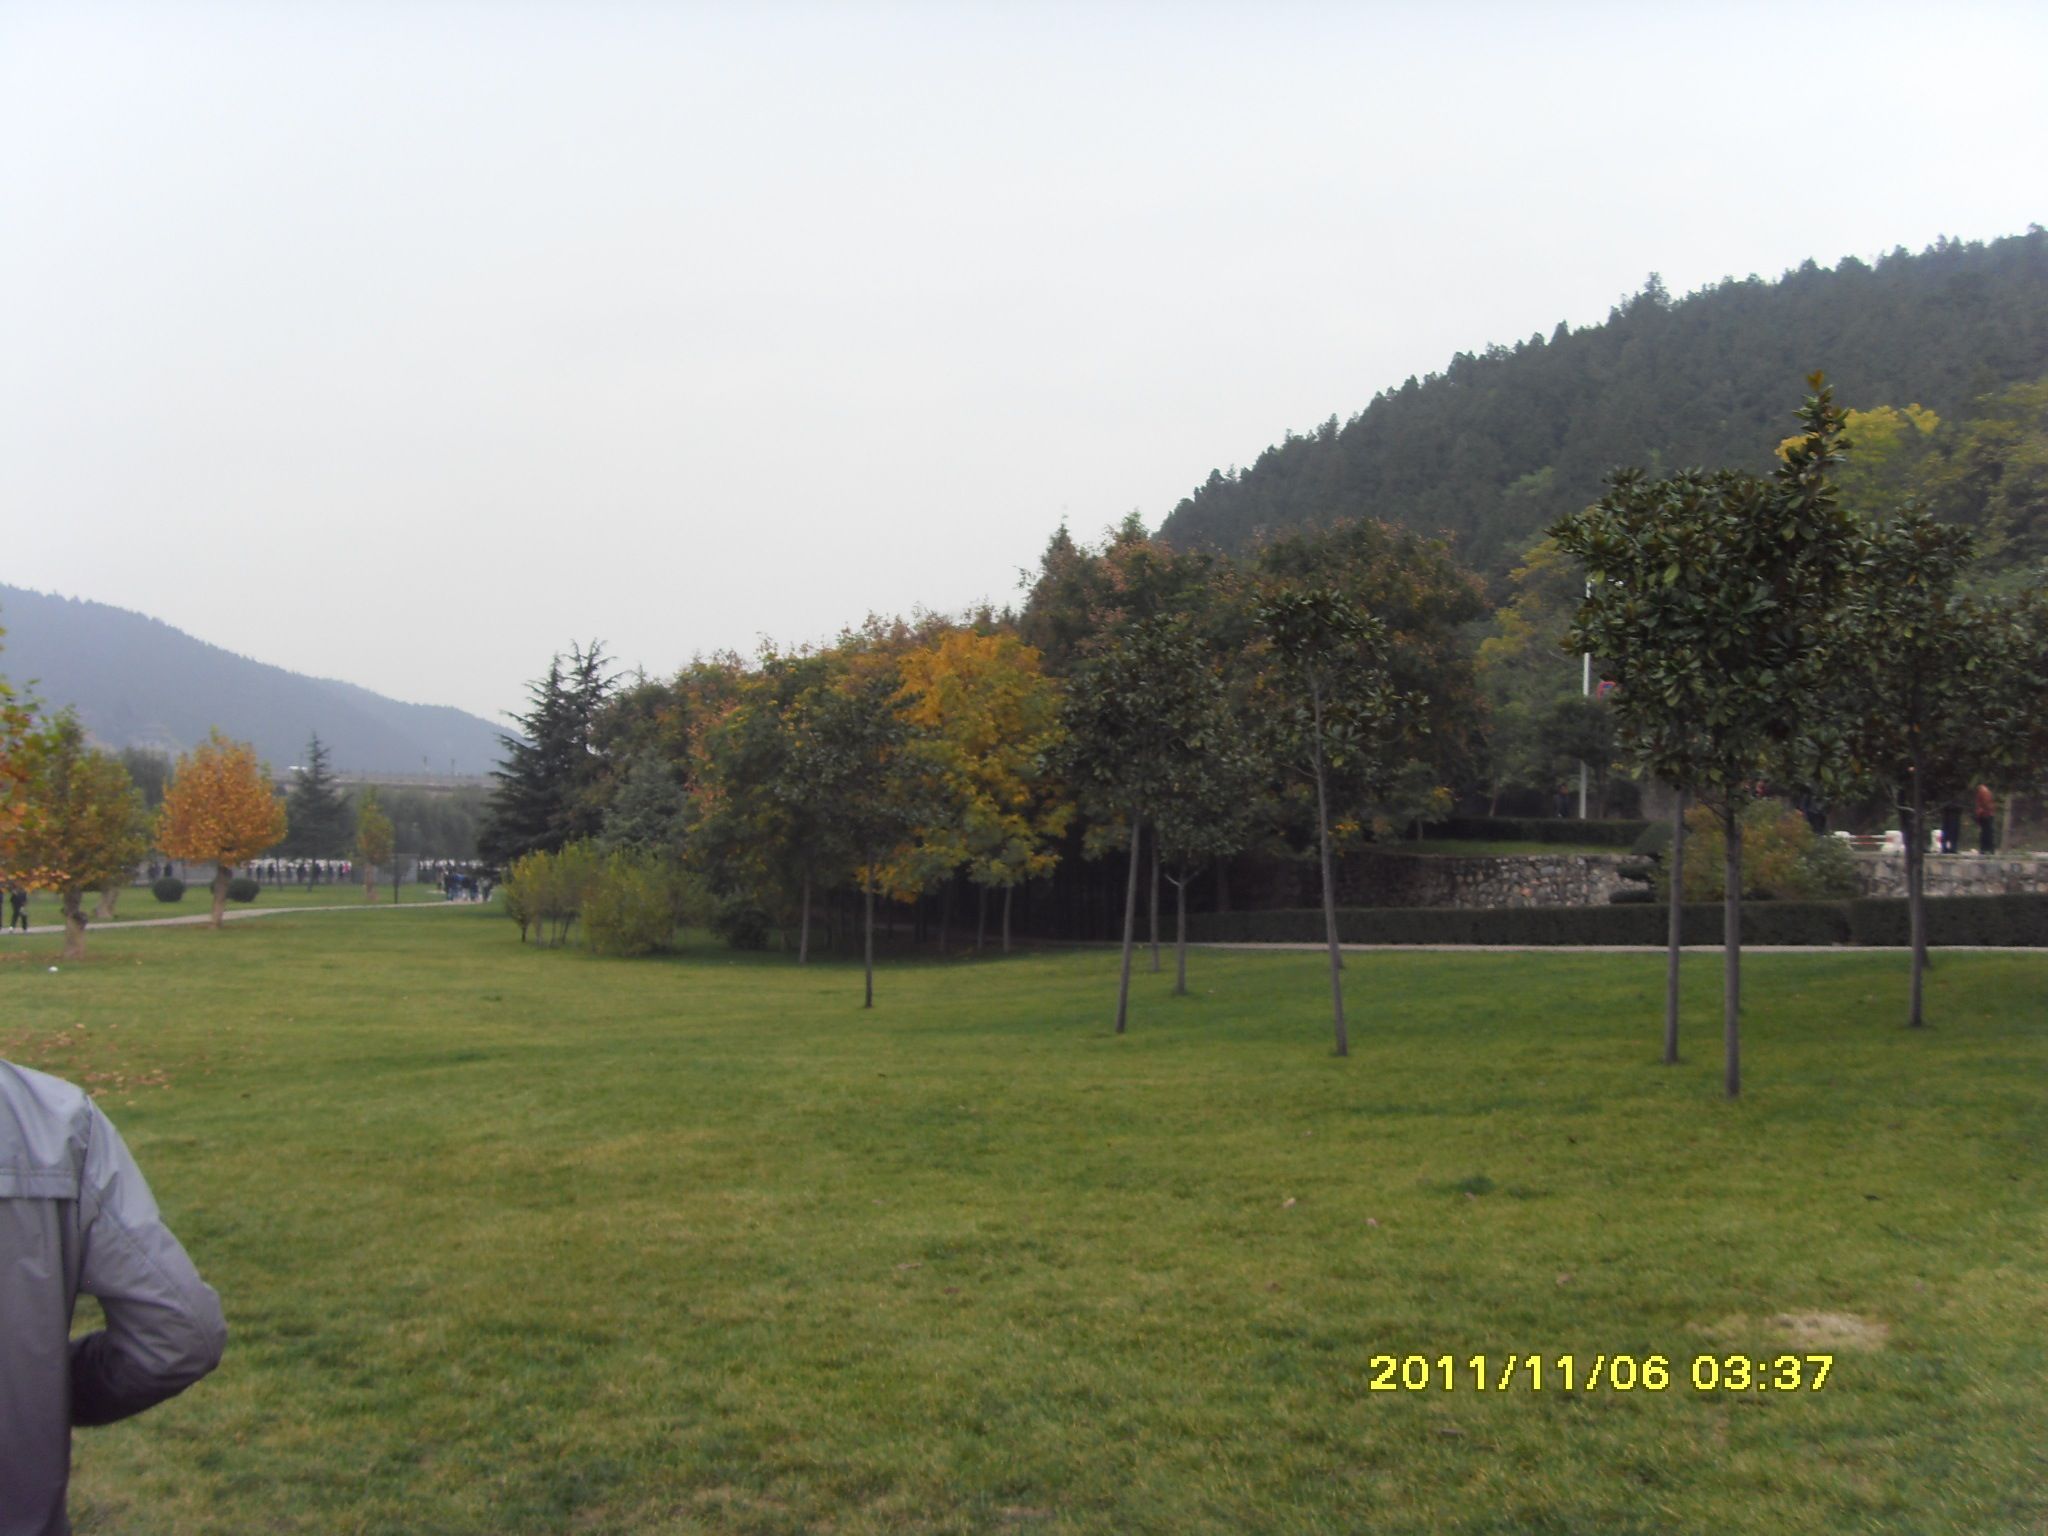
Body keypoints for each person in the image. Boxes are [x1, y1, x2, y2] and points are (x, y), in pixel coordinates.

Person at [1, 1058, 226, 1535]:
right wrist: (39, 1391)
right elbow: (180, 1334)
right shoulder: (56, 1121)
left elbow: (182, 1336)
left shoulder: (62, 1123)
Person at [1975, 783, 1996, 855]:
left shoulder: (1983, 792)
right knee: (1987, 832)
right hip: (1987, 814)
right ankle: (1989, 849)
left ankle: (1985, 849)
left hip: (1985, 815)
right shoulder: (1986, 791)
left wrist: (1981, 812)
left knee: (1985, 833)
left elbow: (1985, 804)